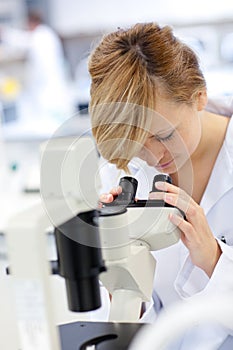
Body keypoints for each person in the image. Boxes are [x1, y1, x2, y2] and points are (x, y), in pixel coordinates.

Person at [87, 22, 233, 349]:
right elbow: (118, 327)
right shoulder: (122, 171)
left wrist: (213, 259)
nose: (154, 156)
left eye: (165, 135)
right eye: (137, 141)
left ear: (199, 97)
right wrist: (119, 276)